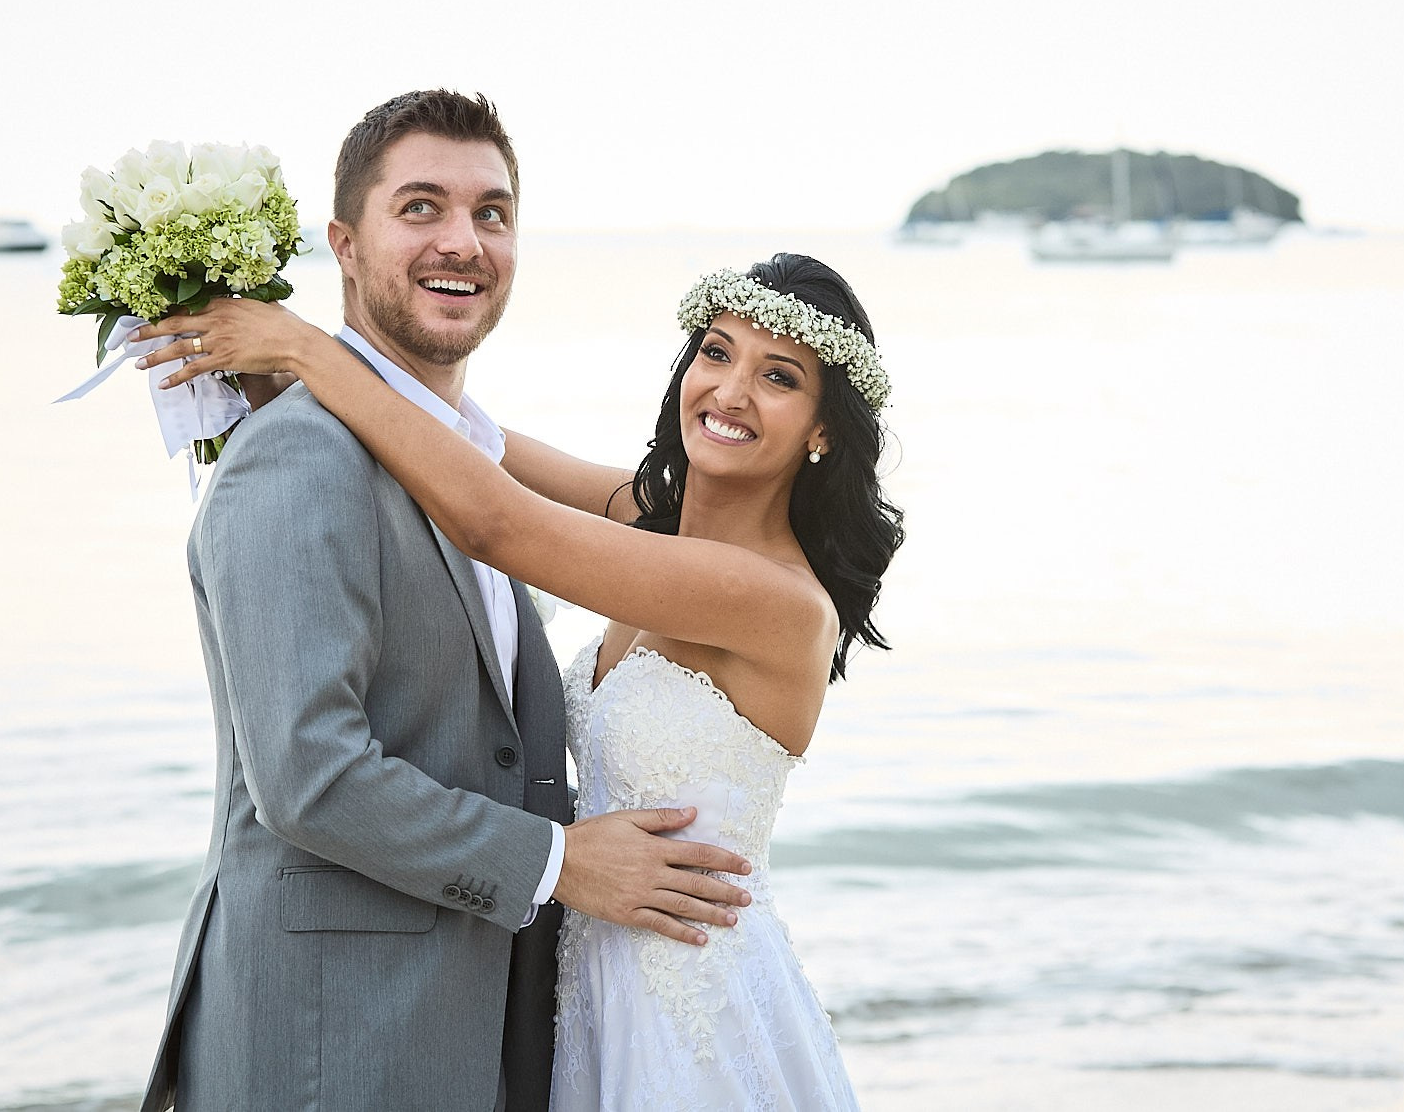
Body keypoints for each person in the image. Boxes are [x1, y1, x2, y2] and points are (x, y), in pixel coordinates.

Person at [138, 250, 905, 1110]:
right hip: (588, 977)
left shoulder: (775, 600)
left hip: (692, 992)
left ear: (824, 428)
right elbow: (467, 439)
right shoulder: (648, 522)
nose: (729, 393)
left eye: (778, 377)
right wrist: (293, 381)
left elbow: (493, 522)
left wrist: (312, 352)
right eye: (716, 352)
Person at [137, 89, 756, 1112]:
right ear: (342, 243)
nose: (462, 241)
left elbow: (642, 513)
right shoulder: (297, 459)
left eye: (492, 213)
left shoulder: (465, 459)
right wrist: (560, 864)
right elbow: (309, 777)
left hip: (474, 1028)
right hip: (329, 1045)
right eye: (419, 207)